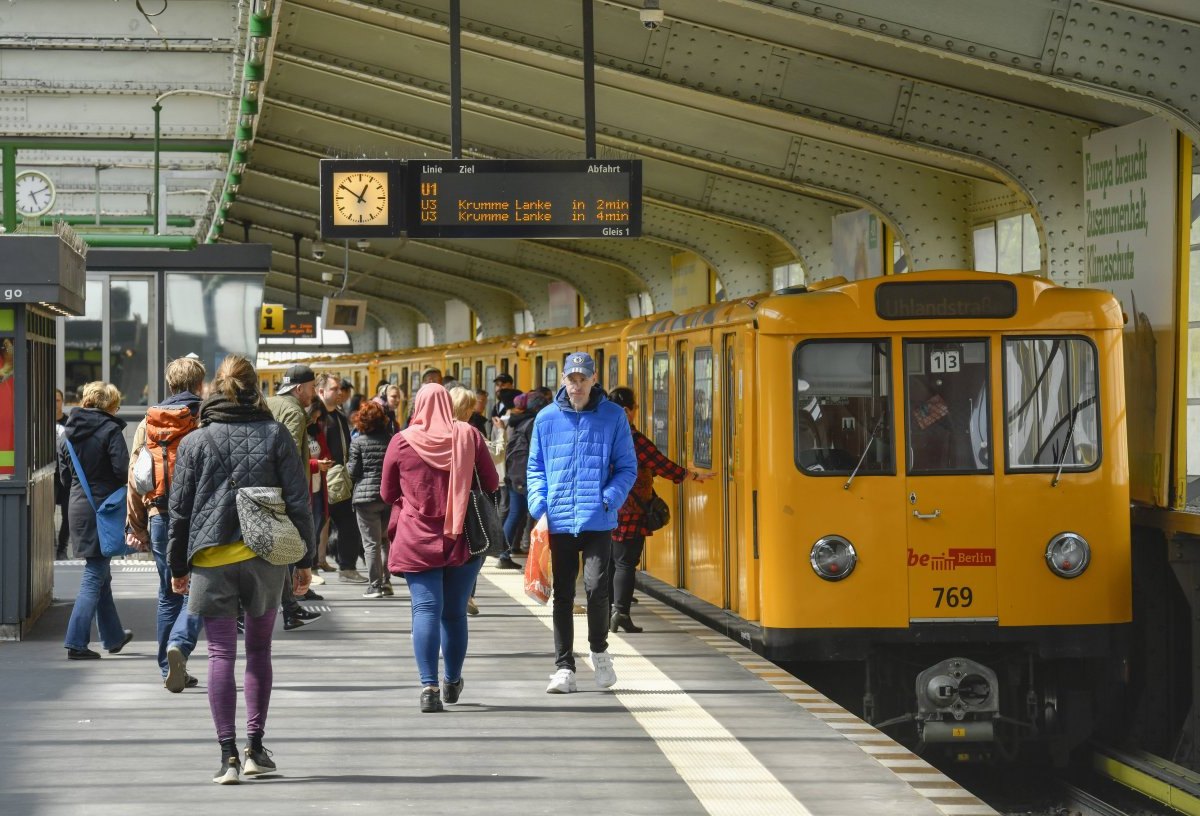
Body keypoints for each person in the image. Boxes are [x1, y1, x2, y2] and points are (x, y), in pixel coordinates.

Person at [167, 355, 316, 784]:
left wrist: (178, 566)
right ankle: (256, 748)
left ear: (216, 388)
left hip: (211, 559)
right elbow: (298, 500)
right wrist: (303, 561)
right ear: (255, 389)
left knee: (219, 654)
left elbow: (179, 512)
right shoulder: (275, 435)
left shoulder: (197, 440)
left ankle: (227, 755)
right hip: (265, 558)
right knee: (259, 651)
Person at [381, 383, 499, 712]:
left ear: (418, 405)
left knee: (425, 611)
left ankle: (428, 686)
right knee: (454, 613)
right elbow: (490, 483)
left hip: (417, 538)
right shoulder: (469, 436)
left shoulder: (401, 441)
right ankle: (452, 680)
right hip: (463, 537)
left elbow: (387, 492)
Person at [526, 352, 636, 694]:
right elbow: (535, 469)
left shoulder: (613, 416)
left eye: (582, 379)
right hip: (557, 521)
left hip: (597, 519)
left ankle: (600, 651)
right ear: (563, 380)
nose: (576, 385)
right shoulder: (545, 419)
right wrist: (538, 504)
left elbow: (626, 467)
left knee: (596, 587)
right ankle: (564, 667)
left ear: (593, 380)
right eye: (571, 379)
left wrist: (609, 498)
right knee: (562, 594)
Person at [126, 356, 206, 691]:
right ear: (199, 385)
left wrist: (137, 526)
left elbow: (135, 477)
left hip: (159, 514)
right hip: (199, 517)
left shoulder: (148, 422)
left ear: (170, 384)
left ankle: (167, 668)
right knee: (199, 589)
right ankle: (180, 646)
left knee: (167, 593)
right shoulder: (204, 419)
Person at [606, 387, 712, 633]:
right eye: (636, 408)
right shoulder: (632, 438)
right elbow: (660, 463)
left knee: (612, 559)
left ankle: (608, 608)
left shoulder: (600, 434)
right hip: (630, 509)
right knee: (625, 562)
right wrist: (692, 475)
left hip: (606, 507)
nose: (637, 413)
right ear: (626, 411)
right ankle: (620, 613)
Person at [60, 381, 134, 660]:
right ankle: (76, 642)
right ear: (109, 405)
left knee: (101, 572)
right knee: (94, 575)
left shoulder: (68, 432)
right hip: (104, 509)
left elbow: (66, 477)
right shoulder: (110, 430)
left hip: (78, 506)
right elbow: (121, 470)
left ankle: (113, 636)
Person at [266, 364, 322, 630]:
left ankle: (290, 609)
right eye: (311, 388)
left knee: (282, 552)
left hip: (265, 487)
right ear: (299, 388)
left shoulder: (269, 403)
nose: (314, 393)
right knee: (289, 550)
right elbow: (286, 455)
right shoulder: (295, 411)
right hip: (287, 490)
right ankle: (289, 608)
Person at [317, 374, 366, 583]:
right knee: (315, 524)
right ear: (321, 392)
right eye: (334, 389)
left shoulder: (338, 415)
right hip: (318, 479)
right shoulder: (314, 416)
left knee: (348, 522)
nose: (340, 392)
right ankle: (309, 570)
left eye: (339, 389)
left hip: (340, 479)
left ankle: (347, 567)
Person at [347, 400, 393, 598]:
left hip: (365, 499)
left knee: (371, 543)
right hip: (388, 495)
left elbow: (353, 471)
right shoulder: (392, 440)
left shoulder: (357, 442)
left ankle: (375, 585)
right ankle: (387, 582)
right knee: (385, 541)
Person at [495, 391, 545, 570]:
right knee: (527, 514)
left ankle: (503, 553)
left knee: (517, 513)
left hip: (515, 474)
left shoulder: (520, 421)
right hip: (524, 476)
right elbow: (537, 453)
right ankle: (507, 553)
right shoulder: (533, 424)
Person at [54, 388, 72, 560]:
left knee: (68, 514)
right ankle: (50, 546)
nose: (55, 403)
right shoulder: (41, 421)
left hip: (66, 473)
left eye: (58, 400)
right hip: (49, 475)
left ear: (63, 402)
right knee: (46, 513)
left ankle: (62, 549)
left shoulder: (69, 423)